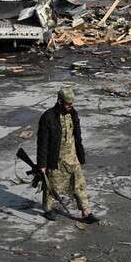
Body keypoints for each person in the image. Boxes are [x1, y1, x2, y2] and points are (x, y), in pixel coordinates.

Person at [36, 85, 98, 223]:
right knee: (51, 185)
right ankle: (48, 209)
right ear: (60, 101)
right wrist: (42, 164)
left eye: (72, 103)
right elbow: (42, 143)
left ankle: (86, 212)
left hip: (72, 157)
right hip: (55, 159)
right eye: (68, 104)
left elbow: (78, 136)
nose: (71, 106)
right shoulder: (48, 117)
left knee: (79, 183)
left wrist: (81, 155)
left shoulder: (73, 114)